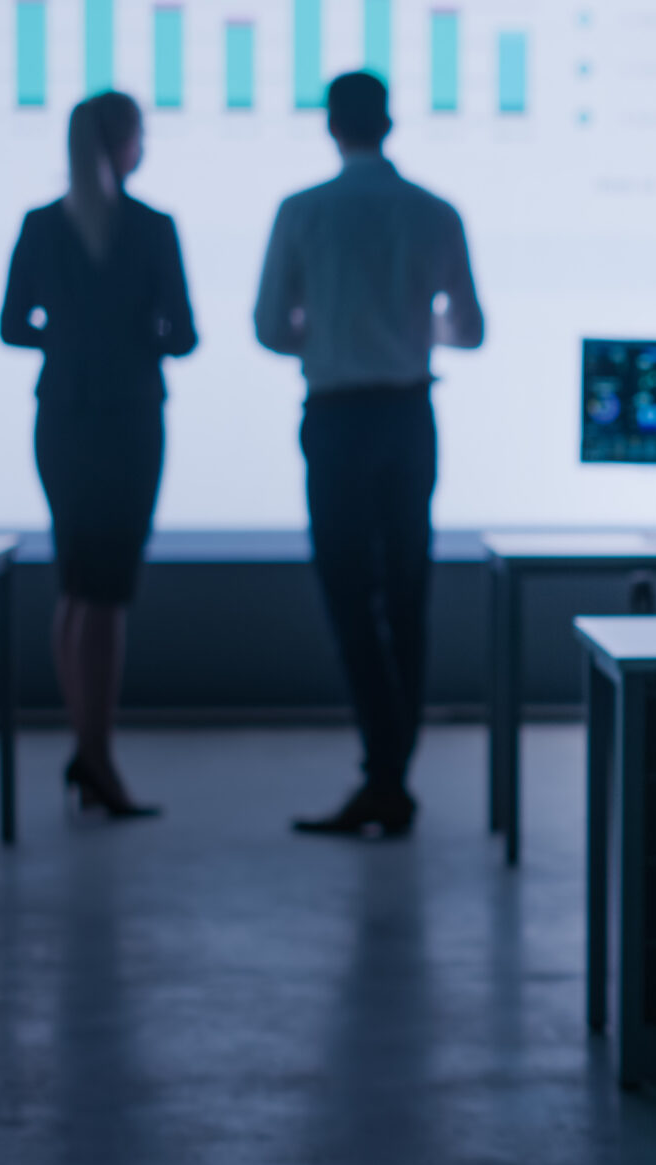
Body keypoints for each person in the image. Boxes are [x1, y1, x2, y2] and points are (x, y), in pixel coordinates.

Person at [255, 72, 483, 837]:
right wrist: (414, 331)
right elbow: (471, 328)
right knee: (407, 598)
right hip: (409, 415)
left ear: (332, 127)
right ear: (389, 123)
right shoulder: (435, 210)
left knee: (351, 599)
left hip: (337, 418)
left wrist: (326, 335)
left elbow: (268, 329)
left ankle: (383, 774)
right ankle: (392, 774)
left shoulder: (301, 211)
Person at [0, 91, 196, 821]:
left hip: (65, 416)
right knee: (105, 592)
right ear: (126, 143)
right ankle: (97, 757)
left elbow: (15, 325)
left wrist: (73, 339)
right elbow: (184, 336)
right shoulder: (152, 229)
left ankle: (90, 751)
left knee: (79, 584)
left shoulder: (41, 226)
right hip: (128, 419)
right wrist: (130, 337)